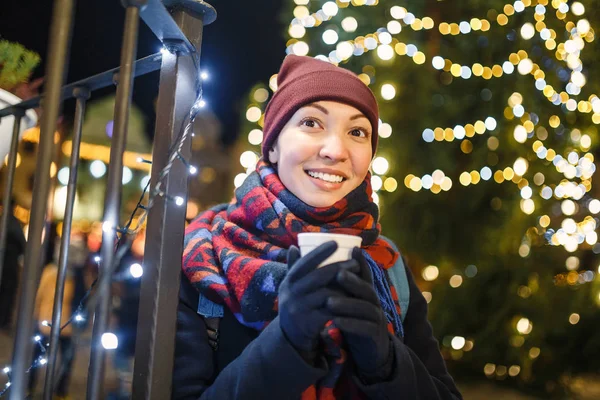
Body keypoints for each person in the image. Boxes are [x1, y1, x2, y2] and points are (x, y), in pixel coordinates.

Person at [173, 55, 462, 399]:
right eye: (312, 123)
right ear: (274, 144)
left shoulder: (388, 267)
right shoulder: (203, 257)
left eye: (357, 131)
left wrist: (387, 362)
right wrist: (287, 344)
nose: (336, 150)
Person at [0, 201, 26, 330]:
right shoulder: (15, 224)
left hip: (7, 263)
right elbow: (23, 245)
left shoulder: (4, 221)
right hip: (10, 264)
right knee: (8, 293)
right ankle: (4, 321)